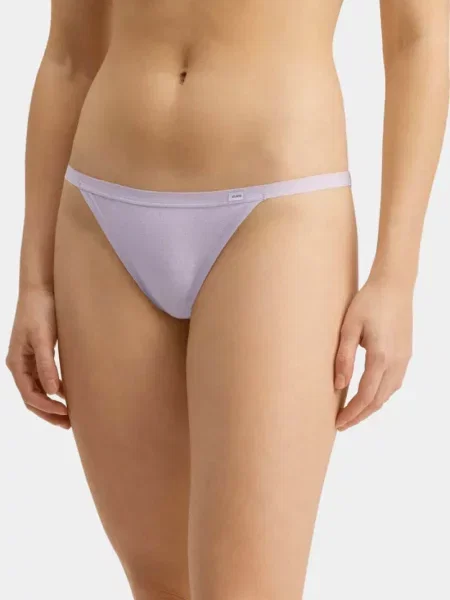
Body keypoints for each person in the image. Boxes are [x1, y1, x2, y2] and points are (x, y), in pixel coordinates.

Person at [6, 1, 449, 598]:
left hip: (281, 208)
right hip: (101, 215)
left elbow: (419, 36)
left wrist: (396, 275)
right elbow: (68, 54)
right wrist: (34, 280)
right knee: (160, 586)